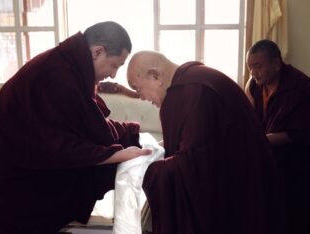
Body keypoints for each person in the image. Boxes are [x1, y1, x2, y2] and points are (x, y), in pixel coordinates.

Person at [0, 21, 151, 234]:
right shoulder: (56, 75)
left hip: (37, 155)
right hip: (17, 172)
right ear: (98, 52)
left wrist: (131, 134)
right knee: (95, 172)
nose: (114, 74)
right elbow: (57, 145)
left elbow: (86, 124)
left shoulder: (70, 66)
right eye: (115, 65)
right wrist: (117, 155)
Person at [126, 51, 285, 234]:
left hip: (240, 193)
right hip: (249, 181)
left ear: (155, 76)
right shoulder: (197, 78)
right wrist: (154, 148)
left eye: (138, 89)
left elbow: (195, 164)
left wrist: (145, 169)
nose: (142, 98)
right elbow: (201, 139)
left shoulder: (193, 91)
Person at [245, 39, 310, 234]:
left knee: (293, 215)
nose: (254, 72)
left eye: (258, 66)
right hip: (269, 155)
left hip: (295, 161)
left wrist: (252, 142)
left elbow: (294, 134)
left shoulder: (301, 88)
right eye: (250, 67)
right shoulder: (256, 85)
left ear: (276, 63)